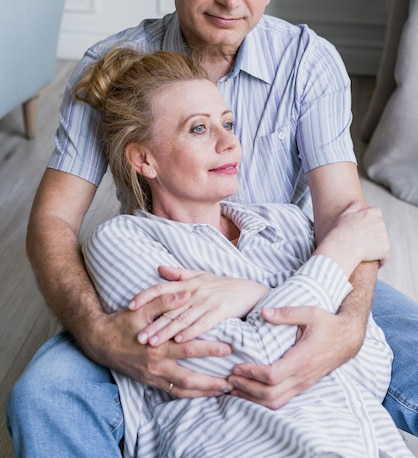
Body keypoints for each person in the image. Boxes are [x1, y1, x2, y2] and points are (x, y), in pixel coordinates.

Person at [7, 0, 418, 456]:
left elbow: (345, 217)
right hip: (176, 282)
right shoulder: (114, 68)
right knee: (44, 396)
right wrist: (100, 334)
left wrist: (348, 329)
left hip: (295, 264)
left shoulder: (309, 62)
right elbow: (52, 223)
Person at [78, 46, 410, 457]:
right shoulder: (123, 243)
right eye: (198, 129)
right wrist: (337, 253)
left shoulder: (285, 223)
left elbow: (373, 367)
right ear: (145, 159)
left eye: (228, 123)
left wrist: (251, 296)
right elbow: (254, 366)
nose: (228, 143)